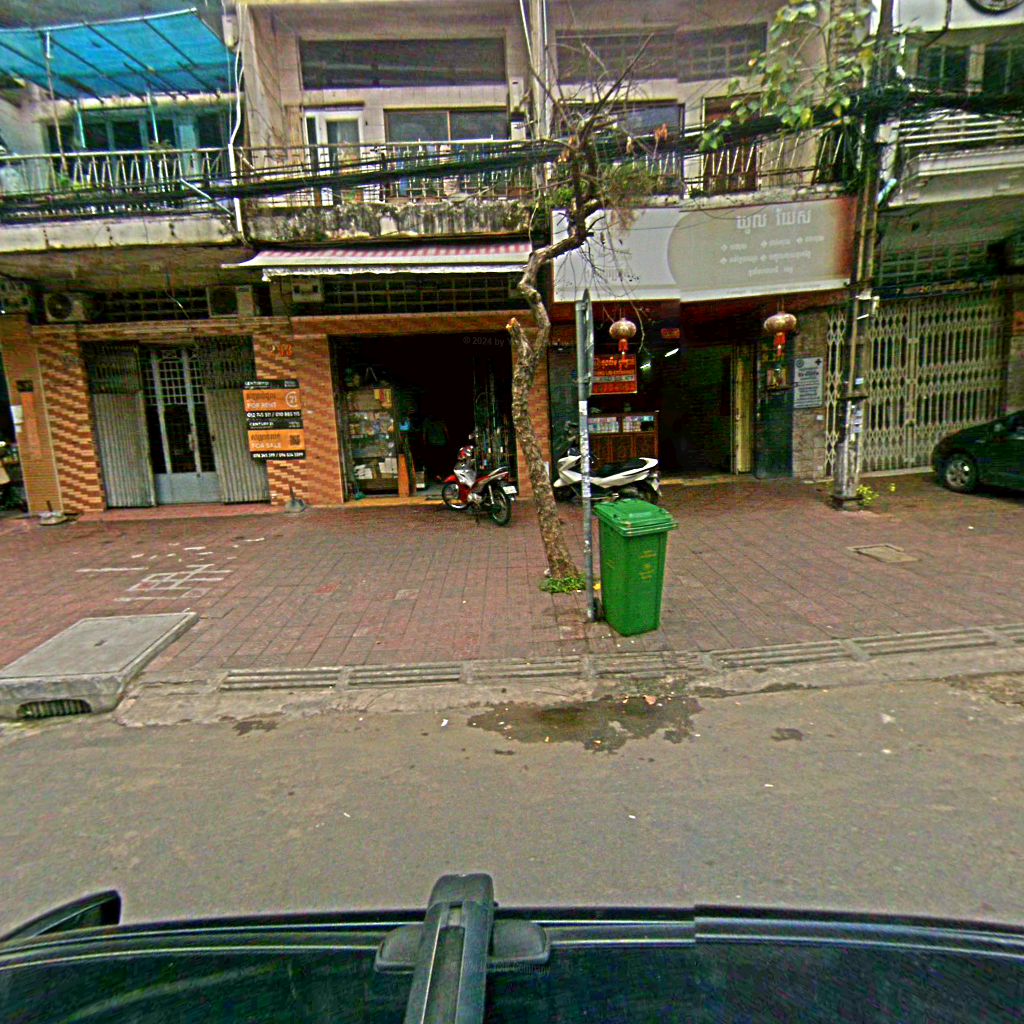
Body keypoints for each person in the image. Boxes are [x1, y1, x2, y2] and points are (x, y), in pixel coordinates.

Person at [421, 413, 450, 482]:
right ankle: (440, 474)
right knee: (441, 459)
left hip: (432, 443)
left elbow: (424, 433)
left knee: (435, 460)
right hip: (441, 443)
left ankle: (437, 474)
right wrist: (448, 440)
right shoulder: (440, 421)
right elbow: (446, 431)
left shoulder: (427, 421)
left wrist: (424, 442)